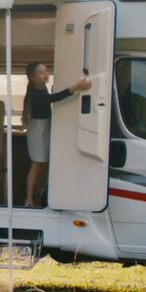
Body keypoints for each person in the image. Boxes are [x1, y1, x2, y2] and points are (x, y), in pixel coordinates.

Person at [21, 61, 92, 207]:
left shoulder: (41, 87)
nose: (46, 74)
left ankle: (39, 192)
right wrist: (76, 87)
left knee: (43, 163)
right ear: (33, 77)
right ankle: (28, 198)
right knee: (37, 164)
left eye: (46, 71)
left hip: (45, 125)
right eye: (41, 73)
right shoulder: (35, 93)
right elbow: (54, 98)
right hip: (38, 129)